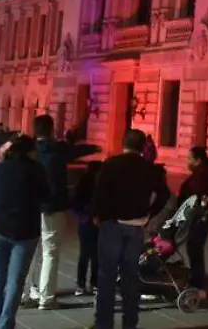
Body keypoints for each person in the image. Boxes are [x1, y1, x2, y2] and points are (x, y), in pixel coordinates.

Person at [91, 129, 171, 329]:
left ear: (123, 143)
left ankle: (104, 323)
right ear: (143, 146)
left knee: (107, 276)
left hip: (112, 224)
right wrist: (150, 213)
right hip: (136, 226)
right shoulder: (149, 168)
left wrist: (98, 215)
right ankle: (130, 323)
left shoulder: (111, 164)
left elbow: (100, 192)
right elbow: (163, 194)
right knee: (130, 276)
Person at [23, 114, 99, 309]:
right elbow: (77, 150)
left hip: (30, 207)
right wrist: (96, 147)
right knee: (50, 252)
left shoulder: (28, 149)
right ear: (51, 130)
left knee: (30, 252)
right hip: (52, 207)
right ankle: (46, 298)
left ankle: (26, 293)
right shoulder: (57, 149)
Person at [0, 135, 50, 329]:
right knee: (15, 282)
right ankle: (5, 324)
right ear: (31, 152)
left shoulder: (2, 168)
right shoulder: (36, 170)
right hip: (24, 232)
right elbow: (46, 196)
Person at [178, 147, 208, 295]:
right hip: (201, 216)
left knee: (195, 249)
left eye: (190, 158)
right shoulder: (202, 172)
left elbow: (195, 196)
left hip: (200, 217)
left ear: (198, 160)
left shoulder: (201, 175)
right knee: (194, 248)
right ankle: (197, 280)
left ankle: (198, 284)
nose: (187, 161)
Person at [71, 161, 102, 296]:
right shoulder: (89, 185)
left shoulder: (99, 185)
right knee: (88, 254)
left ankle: (88, 283)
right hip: (89, 222)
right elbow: (76, 204)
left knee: (92, 254)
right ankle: (85, 283)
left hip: (93, 222)